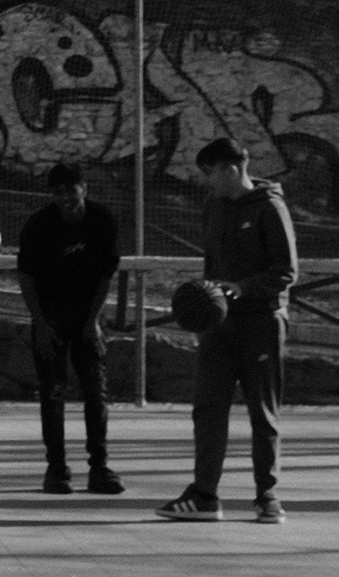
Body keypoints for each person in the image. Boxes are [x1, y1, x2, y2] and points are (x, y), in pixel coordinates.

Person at [158, 137, 298, 523]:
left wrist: (245, 288)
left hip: (262, 322)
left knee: (262, 412)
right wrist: (204, 307)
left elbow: (287, 271)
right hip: (220, 326)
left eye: (210, 174)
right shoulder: (213, 206)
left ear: (231, 170)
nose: (208, 183)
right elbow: (211, 264)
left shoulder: (270, 207)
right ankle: (204, 495)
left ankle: (267, 496)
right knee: (207, 408)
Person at [15, 160, 124, 496]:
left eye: (71, 190)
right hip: (51, 316)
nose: (65, 198)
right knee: (53, 394)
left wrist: (94, 321)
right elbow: (26, 276)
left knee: (96, 394)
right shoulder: (39, 225)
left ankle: (99, 467)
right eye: (58, 192)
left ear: (84, 189)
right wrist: (41, 324)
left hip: (87, 315)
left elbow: (107, 274)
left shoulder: (102, 220)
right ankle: (57, 468)